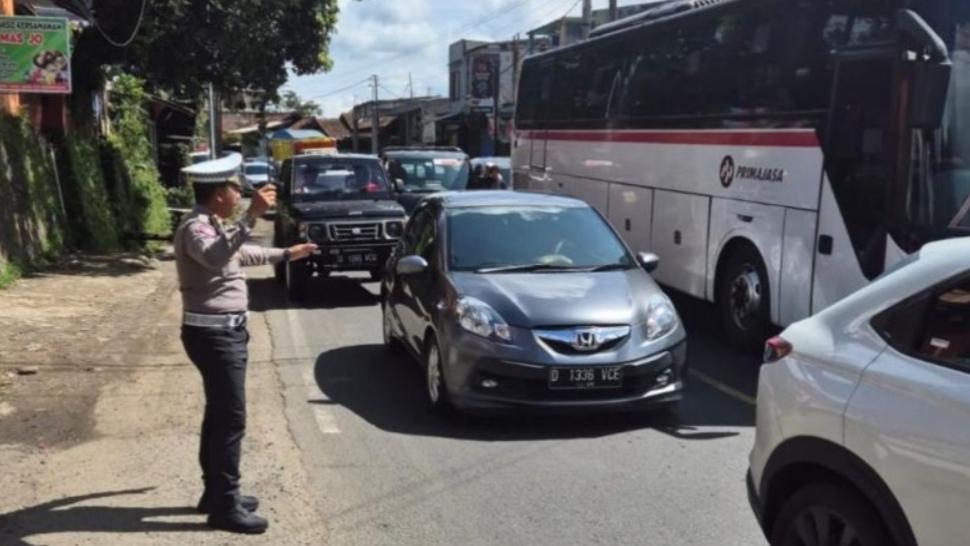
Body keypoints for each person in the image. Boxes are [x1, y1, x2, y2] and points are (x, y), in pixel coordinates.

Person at [174, 153, 317, 534]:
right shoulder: (196, 228)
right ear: (219, 193)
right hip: (214, 334)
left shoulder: (212, 223)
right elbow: (217, 255)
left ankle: (216, 493)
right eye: (235, 187)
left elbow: (239, 254)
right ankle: (224, 506)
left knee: (219, 412)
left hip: (224, 332)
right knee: (231, 417)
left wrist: (286, 253)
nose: (241, 192)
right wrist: (251, 215)